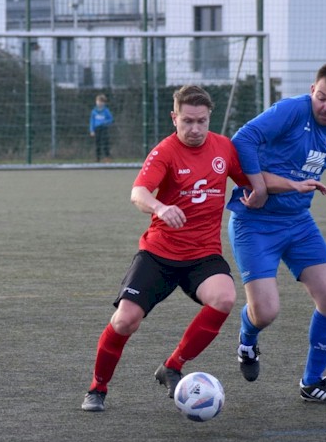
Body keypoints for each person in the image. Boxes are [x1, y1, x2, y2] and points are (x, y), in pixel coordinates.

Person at [80, 85, 249, 412]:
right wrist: (159, 208)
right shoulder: (165, 151)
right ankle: (97, 387)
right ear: (174, 118)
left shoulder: (224, 148)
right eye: (187, 121)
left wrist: (271, 189)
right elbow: (138, 192)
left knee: (225, 297)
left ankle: (172, 366)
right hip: (159, 253)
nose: (196, 129)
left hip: (203, 254)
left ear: (209, 117)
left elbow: (249, 182)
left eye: (202, 121)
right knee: (125, 321)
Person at [226, 62, 326, 404]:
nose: (325, 106)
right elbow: (243, 139)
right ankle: (247, 338)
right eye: (320, 97)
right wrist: (258, 186)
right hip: (254, 223)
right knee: (266, 312)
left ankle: (311, 382)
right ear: (312, 90)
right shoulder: (290, 110)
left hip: (298, 225)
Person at [89, 94, 113, 162]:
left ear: (104, 103)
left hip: (104, 128)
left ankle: (107, 157)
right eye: (98, 101)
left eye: (101, 102)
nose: (99, 103)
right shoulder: (94, 111)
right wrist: (92, 130)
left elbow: (110, 119)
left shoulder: (106, 111)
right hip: (97, 129)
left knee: (105, 143)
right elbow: (92, 121)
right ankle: (97, 158)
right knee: (97, 143)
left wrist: (105, 122)